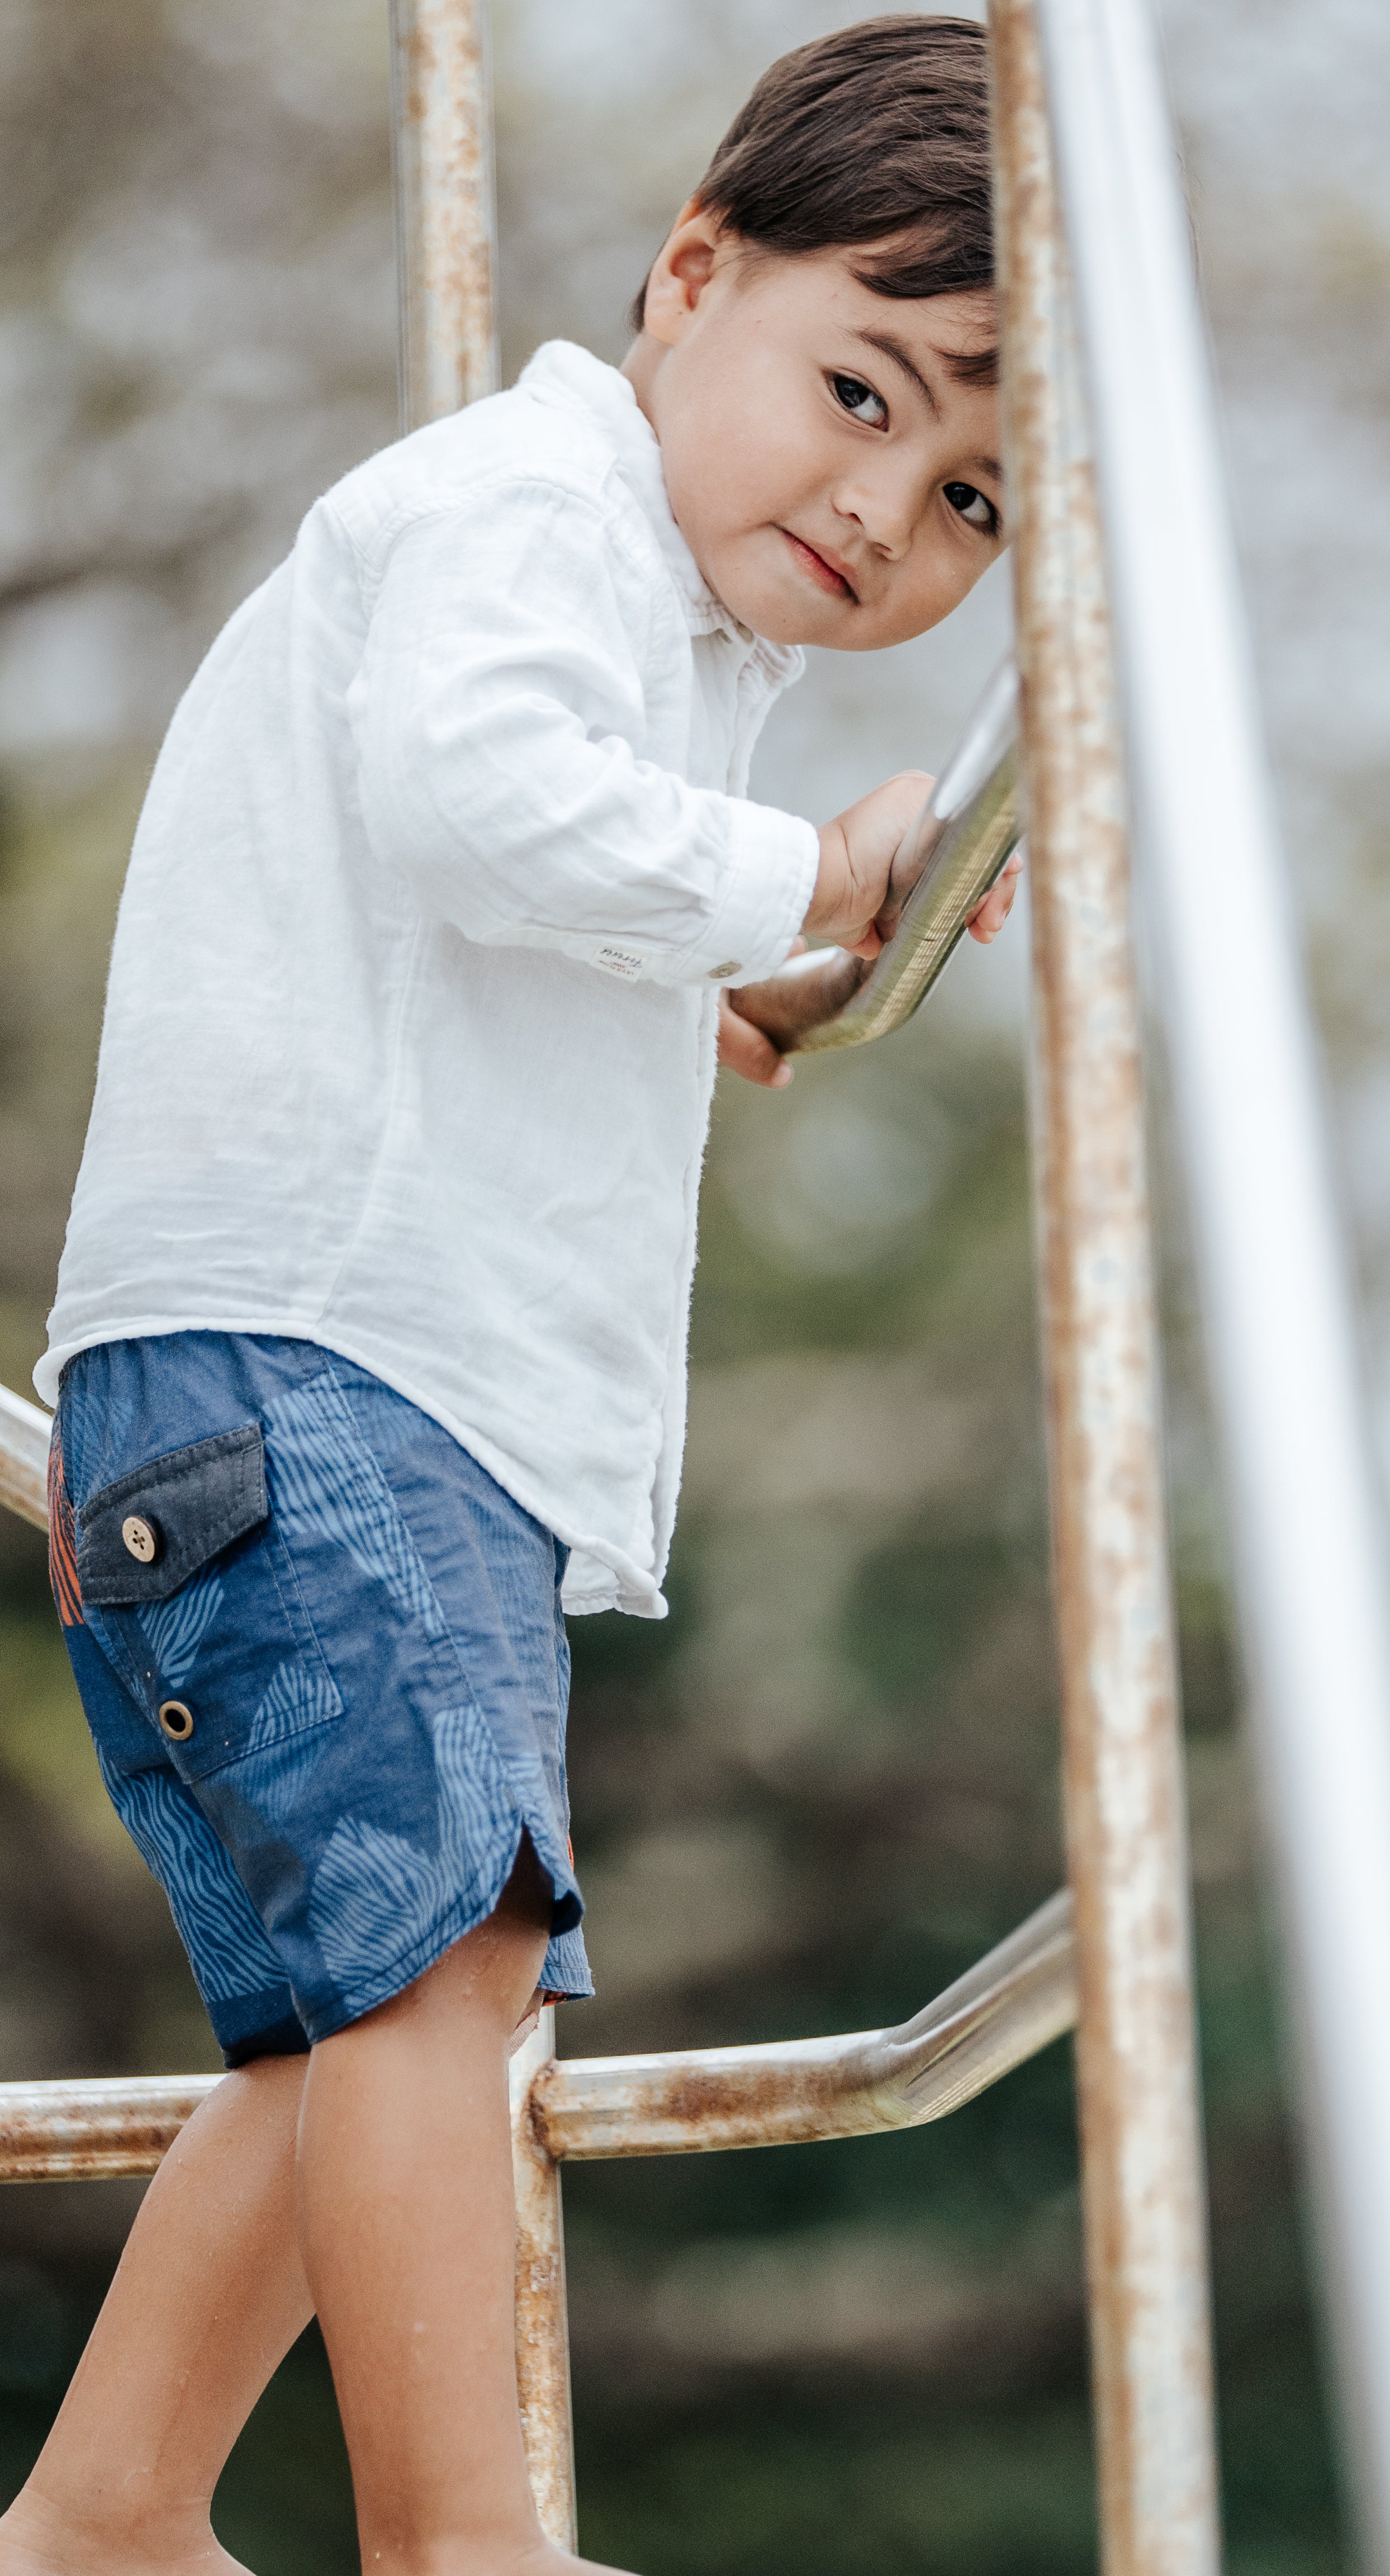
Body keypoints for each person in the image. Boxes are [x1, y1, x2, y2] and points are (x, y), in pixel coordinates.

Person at [0, 16, 1017, 2576]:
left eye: (976, 491)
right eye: (863, 386)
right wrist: (801, 879)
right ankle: (470, 2543)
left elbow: (459, 909)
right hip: (327, 1372)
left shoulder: (640, 618)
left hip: (336, 1389)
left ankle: (109, 2511)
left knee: (389, 1995)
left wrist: (724, 982)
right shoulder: (527, 509)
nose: (888, 505)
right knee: (441, 1964)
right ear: (692, 275)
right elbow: (478, 806)